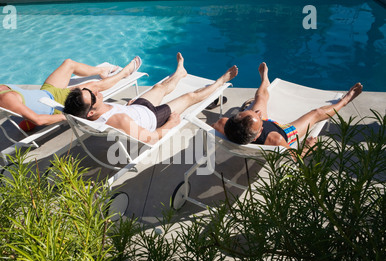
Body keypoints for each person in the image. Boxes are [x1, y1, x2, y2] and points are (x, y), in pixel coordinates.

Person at [64, 52, 238, 144]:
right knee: (190, 97)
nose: (96, 92)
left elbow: (113, 112)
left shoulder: (93, 111)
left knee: (159, 87)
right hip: (153, 117)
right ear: (90, 112)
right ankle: (221, 81)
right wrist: (170, 124)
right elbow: (150, 138)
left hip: (136, 108)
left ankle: (179, 73)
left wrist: (127, 106)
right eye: (93, 97)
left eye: (89, 90)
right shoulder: (119, 120)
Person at [212, 62, 363, 155]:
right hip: (283, 131)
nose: (258, 112)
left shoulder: (221, 124)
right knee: (316, 113)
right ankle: (345, 101)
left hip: (249, 129)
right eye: (257, 115)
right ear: (258, 134)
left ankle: (265, 80)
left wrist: (256, 120)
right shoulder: (275, 139)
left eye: (250, 110)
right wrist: (307, 148)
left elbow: (209, 132)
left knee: (260, 98)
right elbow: (294, 158)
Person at [0, 56, 142, 127]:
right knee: (92, 89)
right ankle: (125, 73)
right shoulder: (5, 99)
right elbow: (38, 120)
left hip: (47, 92)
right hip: (55, 104)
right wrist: (69, 115)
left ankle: (100, 70)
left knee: (69, 64)